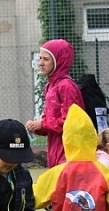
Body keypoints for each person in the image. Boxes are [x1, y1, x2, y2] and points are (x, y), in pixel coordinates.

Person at [25, 39, 84, 168]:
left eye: (46, 59)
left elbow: (71, 122)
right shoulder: (50, 86)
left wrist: (42, 123)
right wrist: (37, 127)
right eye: (40, 58)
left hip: (68, 152)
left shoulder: (66, 86)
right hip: (55, 150)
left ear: (59, 61)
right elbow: (50, 122)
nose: (40, 63)